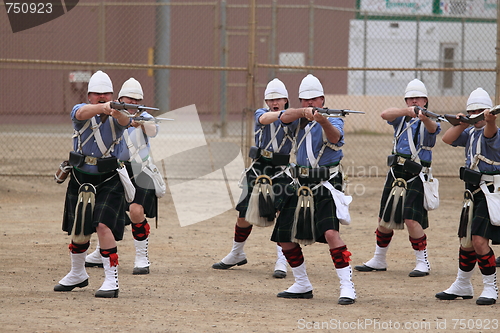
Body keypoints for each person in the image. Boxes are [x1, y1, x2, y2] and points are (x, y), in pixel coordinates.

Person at [271, 74, 356, 305]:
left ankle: (347, 286)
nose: (310, 103)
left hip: (325, 183)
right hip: (300, 183)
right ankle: (302, 283)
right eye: (305, 100)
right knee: (284, 237)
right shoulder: (297, 117)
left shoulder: (334, 119)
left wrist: (322, 120)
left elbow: (335, 138)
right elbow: (282, 117)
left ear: (322, 99)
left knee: (330, 233)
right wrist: (303, 113)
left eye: (314, 100)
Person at [54, 70, 131, 298]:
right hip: (80, 176)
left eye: (106, 94)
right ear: (90, 96)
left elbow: (125, 121)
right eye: (97, 94)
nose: (102, 96)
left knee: (103, 225)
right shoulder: (81, 110)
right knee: (79, 228)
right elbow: (81, 113)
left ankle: (111, 280)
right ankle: (77, 273)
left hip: (108, 177)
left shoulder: (119, 114)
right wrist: (102, 107)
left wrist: (117, 110)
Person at [354, 78, 440, 277]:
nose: (414, 101)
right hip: (396, 172)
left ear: (425, 100)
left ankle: (422, 262)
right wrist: (407, 112)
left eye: (418, 98)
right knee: (384, 219)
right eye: (410, 99)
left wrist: (423, 117)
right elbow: (385, 114)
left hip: (416, 174)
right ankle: (379, 259)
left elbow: (432, 129)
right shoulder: (402, 117)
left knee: (411, 220)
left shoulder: (430, 120)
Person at [212, 78, 292, 278]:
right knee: (244, 214)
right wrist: (284, 114)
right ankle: (237, 253)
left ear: (286, 99)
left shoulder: (295, 119)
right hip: (259, 167)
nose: (274, 102)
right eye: (270, 99)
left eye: (279, 99)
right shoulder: (261, 113)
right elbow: (265, 120)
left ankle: (282, 260)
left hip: (282, 168)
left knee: (283, 213)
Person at [85, 78, 161, 275]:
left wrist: (140, 124)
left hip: (141, 170)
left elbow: (153, 130)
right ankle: (100, 250)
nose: (133, 103)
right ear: (120, 98)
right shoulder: (113, 115)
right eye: (129, 99)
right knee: (105, 213)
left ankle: (141, 257)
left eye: (137, 99)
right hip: (118, 169)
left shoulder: (145, 117)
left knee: (136, 211)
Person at [436, 88, 499, 305]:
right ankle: (463, 283)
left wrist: (489, 120)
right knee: (466, 241)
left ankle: (491, 287)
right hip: (471, 193)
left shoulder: (493, 132)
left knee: (480, 241)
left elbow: (490, 132)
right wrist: (463, 123)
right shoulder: (470, 132)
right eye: (472, 111)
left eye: (480, 110)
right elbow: (446, 138)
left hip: (490, 193)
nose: (477, 114)